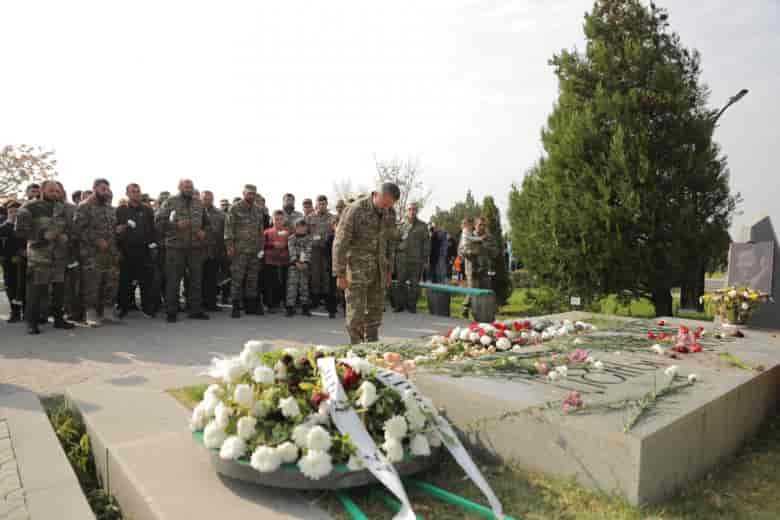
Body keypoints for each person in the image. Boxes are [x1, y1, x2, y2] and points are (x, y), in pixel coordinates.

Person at [333, 182, 400, 344]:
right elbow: (340, 242)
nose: (386, 208)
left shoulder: (390, 213)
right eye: (384, 204)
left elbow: (390, 243)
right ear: (376, 194)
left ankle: (372, 346)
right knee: (356, 313)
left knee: (375, 312)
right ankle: (356, 348)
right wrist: (339, 273)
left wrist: (389, 270)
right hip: (356, 270)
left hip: (379, 271)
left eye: (389, 205)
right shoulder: (355, 209)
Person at [14, 180, 74, 334]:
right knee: (36, 292)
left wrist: (66, 236)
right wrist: (42, 236)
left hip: (59, 257)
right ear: (42, 190)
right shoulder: (29, 207)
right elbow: (20, 231)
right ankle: (32, 323)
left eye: (57, 191)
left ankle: (58, 319)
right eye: (51, 190)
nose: (55, 193)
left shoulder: (63, 208)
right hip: (39, 257)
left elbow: (71, 228)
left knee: (59, 290)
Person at [155, 179, 211, 322]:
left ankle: (195, 310)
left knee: (196, 280)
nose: (189, 189)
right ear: (180, 187)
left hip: (195, 248)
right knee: (173, 280)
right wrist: (175, 225)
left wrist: (204, 232)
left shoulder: (198, 203)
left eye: (191, 187)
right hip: (176, 248)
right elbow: (159, 222)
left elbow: (207, 223)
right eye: (186, 187)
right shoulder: (170, 202)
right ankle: (171, 311)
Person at [74, 179, 120, 327]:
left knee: (111, 281)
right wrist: (96, 240)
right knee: (91, 284)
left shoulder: (109, 208)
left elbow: (111, 228)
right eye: (102, 189)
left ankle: (107, 311)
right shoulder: (84, 206)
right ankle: (90, 313)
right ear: (94, 189)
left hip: (110, 252)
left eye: (107, 189)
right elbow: (79, 229)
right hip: (91, 253)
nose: (105, 192)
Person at [115, 183, 157, 318]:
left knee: (146, 281)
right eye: (133, 191)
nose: (136, 193)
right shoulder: (121, 210)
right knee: (125, 281)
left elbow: (152, 229)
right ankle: (123, 307)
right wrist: (119, 233)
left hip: (144, 250)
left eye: (138, 191)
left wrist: (153, 246)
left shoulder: (147, 210)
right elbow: (114, 230)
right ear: (127, 194)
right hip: (126, 250)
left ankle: (147, 308)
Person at [225, 185, 264, 318]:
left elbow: (260, 231)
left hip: (254, 250)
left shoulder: (258, 210)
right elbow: (228, 229)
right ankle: (235, 305)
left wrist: (261, 248)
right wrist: (229, 246)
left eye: (254, 194)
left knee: (252, 279)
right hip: (239, 250)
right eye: (249, 193)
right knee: (237, 278)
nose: (251, 196)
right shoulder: (235, 208)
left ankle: (250, 306)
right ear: (243, 193)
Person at [459, 216, 498, 318]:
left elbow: (495, 252)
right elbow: (461, 251)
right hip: (472, 268)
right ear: (475, 225)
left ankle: (486, 313)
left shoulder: (489, 238)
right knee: (473, 289)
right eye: (480, 224)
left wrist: (485, 249)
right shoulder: (469, 235)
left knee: (485, 291)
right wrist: (471, 252)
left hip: (485, 269)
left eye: (484, 225)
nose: (482, 227)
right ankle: (466, 309)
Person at [394, 202, 430, 313]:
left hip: (416, 260)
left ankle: (412, 306)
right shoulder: (400, 225)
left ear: (417, 211)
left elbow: (426, 243)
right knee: (400, 283)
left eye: (414, 209)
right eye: (410, 209)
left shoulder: (423, 226)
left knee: (415, 285)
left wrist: (425, 259)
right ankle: (399, 305)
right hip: (402, 259)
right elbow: (394, 239)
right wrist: (397, 249)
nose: (412, 211)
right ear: (406, 211)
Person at [57, 182, 82, 322]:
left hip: (70, 252)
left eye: (59, 190)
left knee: (72, 284)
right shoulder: (42, 208)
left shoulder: (72, 209)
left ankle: (73, 311)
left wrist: (69, 237)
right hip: (48, 254)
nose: (56, 193)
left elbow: (79, 230)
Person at [305, 195, 334, 308]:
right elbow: (305, 234)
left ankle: (327, 298)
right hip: (314, 250)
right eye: (320, 204)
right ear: (316, 205)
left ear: (327, 204)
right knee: (315, 274)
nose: (322, 206)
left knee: (326, 274)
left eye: (324, 204)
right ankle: (315, 298)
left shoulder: (332, 217)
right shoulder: (309, 218)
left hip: (327, 250)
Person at [0, 200, 25, 322]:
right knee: (11, 286)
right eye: (11, 212)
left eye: (17, 211)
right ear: (7, 213)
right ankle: (15, 312)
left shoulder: (25, 227)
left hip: (24, 261)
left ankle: (27, 311)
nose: (14, 214)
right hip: (8, 262)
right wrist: (7, 256)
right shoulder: (3, 228)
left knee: (24, 286)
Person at [201, 190, 226, 313]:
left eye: (210, 199)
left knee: (211, 279)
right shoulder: (196, 212)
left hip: (214, 251)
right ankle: (195, 304)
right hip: (198, 251)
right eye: (205, 199)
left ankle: (211, 303)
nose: (208, 201)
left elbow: (225, 233)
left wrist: (223, 250)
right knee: (196, 279)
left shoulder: (220, 214)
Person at [263, 210, 290, 312]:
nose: (278, 221)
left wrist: (285, 245)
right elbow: (262, 244)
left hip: (284, 262)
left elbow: (293, 245)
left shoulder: (288, 233)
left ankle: (282, 303)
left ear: (284, 220)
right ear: (272, 220)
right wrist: (273, 245)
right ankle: (270, 304)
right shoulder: (267, 232)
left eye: (281, 219)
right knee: (270, 284)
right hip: (270, 262)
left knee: (283, 283)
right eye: (276, 219)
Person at [286, 219, 312, 317]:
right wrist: (295, 262)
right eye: (299, 227)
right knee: (292, 287)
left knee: (304, 287)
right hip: (294, 265)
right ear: (295, 227)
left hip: (305, 265)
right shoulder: (291, 238)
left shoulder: (309, 238)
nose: (301, 229)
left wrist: (305, 262)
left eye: (303, 227)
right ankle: (290, 307)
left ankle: (305, 307)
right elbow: (291, 250)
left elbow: (308, 250)